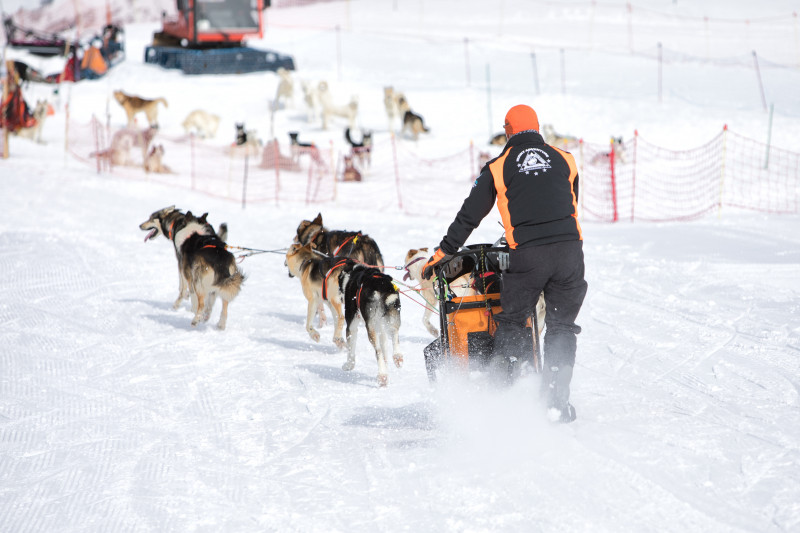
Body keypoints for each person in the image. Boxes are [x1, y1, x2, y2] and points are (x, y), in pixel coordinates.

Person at [422, 104, 587, 423]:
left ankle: (504, 401)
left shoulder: (497, 167)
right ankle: (555, 403)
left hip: (527, 255)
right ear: (537, 129)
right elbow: (570, 202)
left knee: (511, 321)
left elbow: (469, 216)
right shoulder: (567, 159)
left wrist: (442, 254)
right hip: (569, 253)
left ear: (508, 132)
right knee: (562, 327)